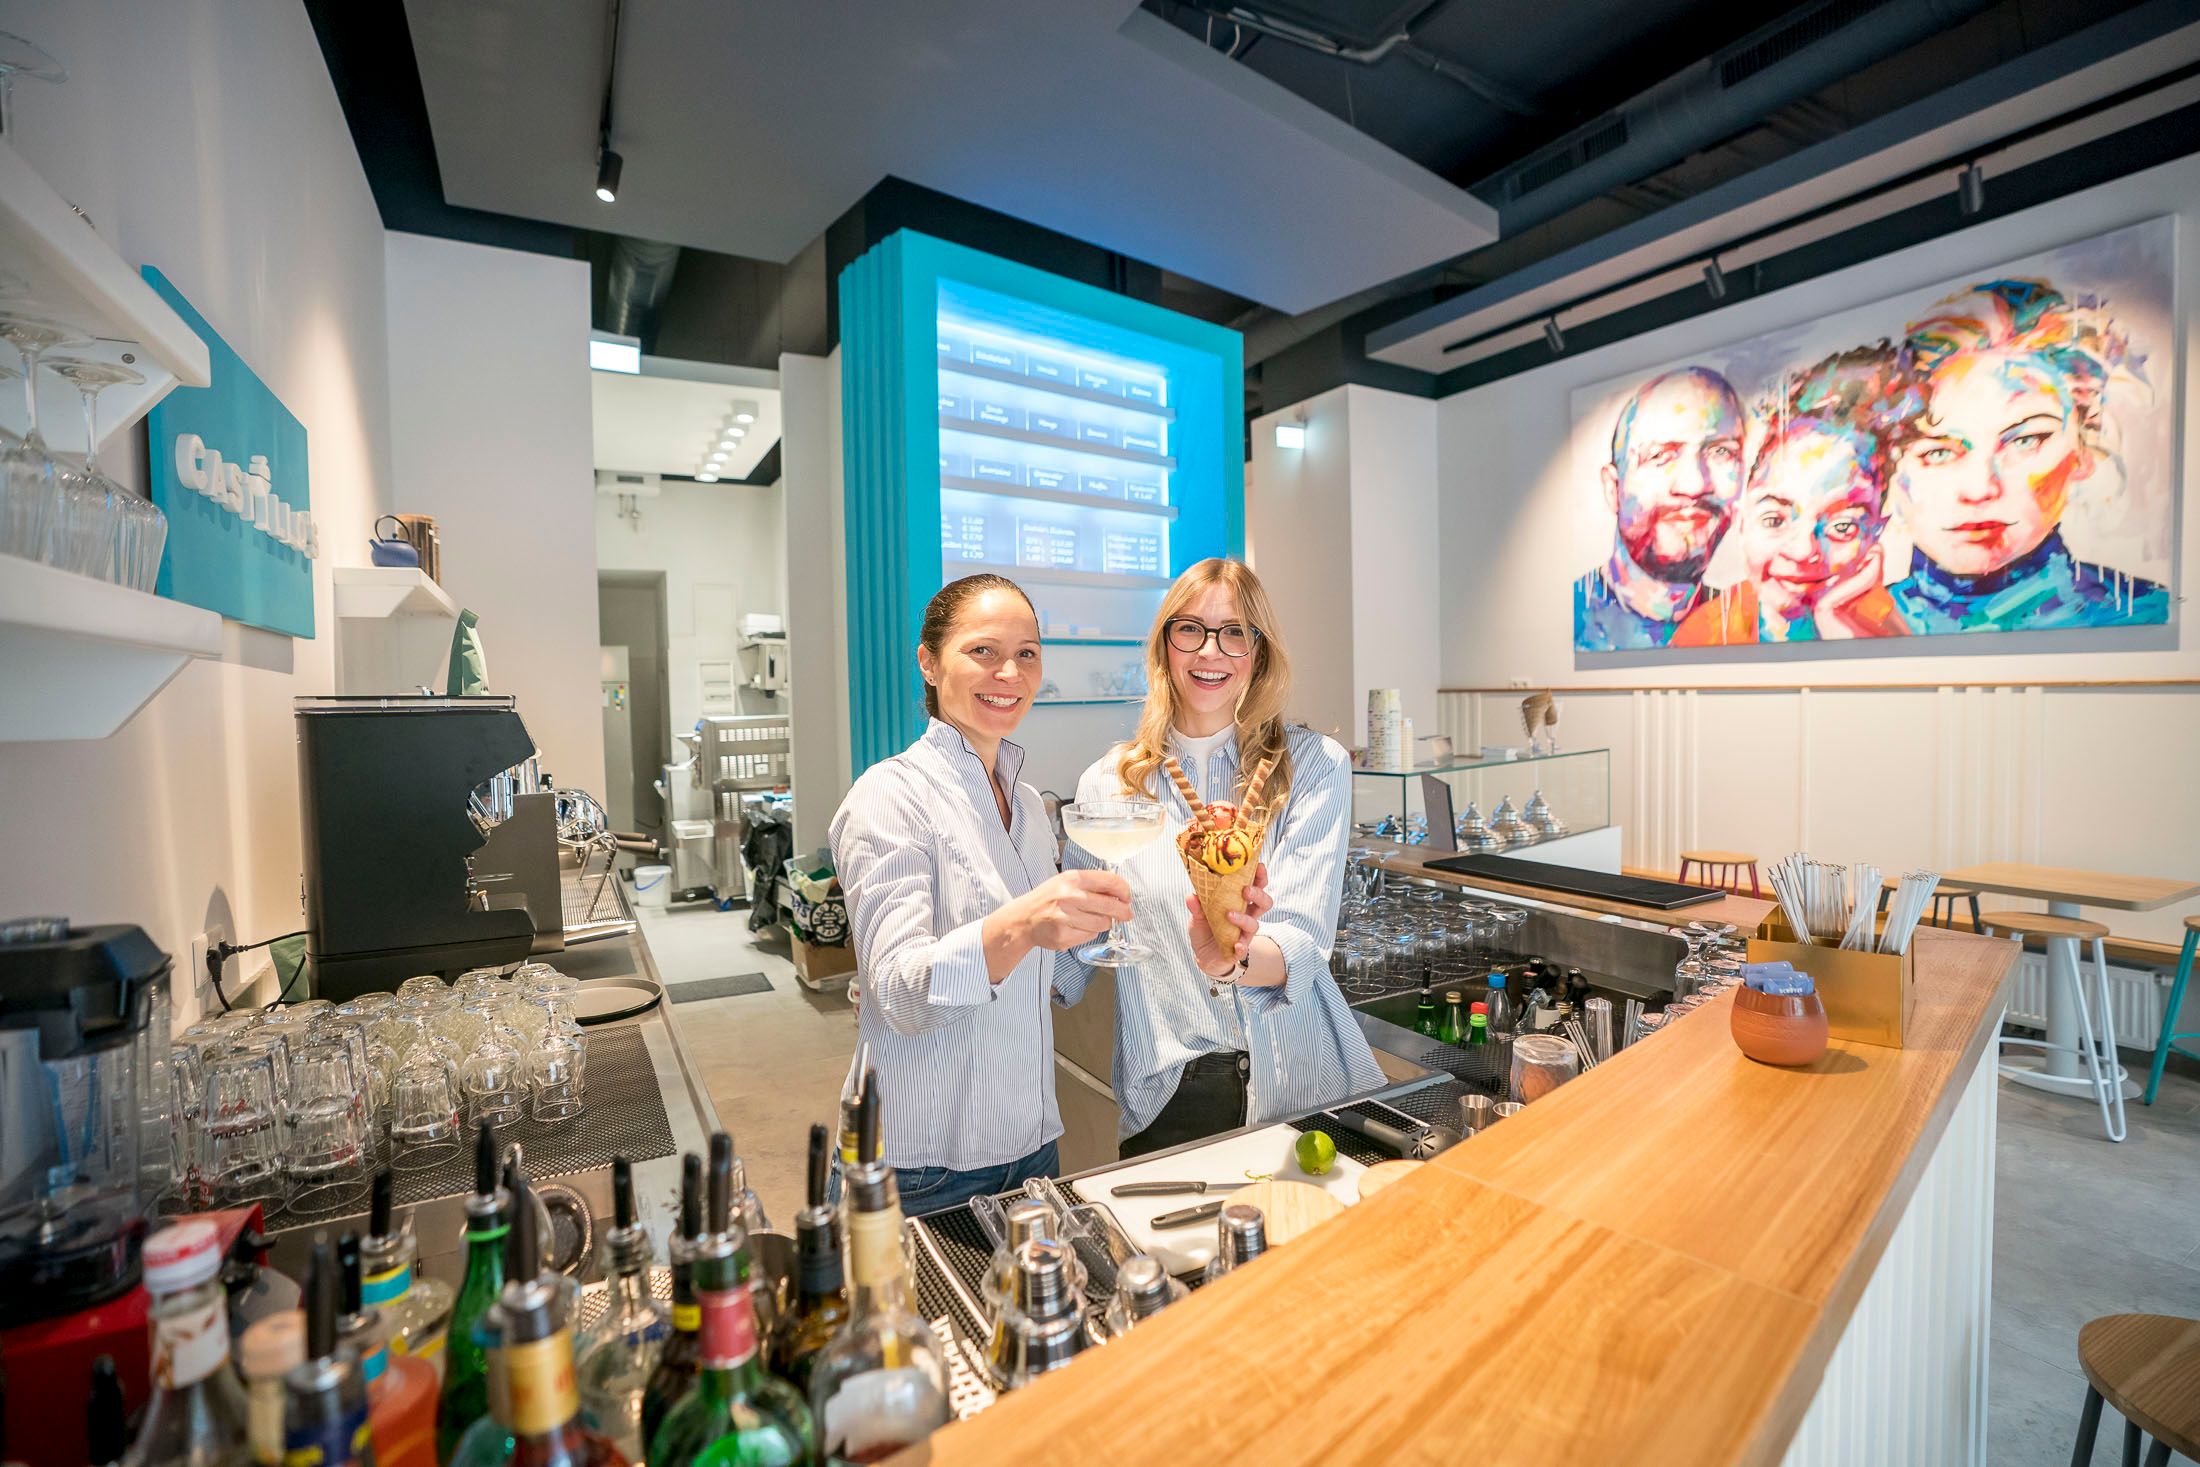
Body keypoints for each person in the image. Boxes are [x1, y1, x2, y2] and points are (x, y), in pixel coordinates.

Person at [1053, 558, 1384, 1157]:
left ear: (1258, 652)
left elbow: (1304, 942)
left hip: (1299, 1078)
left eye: (1235, 632)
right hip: (1167, 1087)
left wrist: (1230, 959)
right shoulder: (1109, 786)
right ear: (1164, 646)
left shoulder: (1312, 767)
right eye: (1191, 630)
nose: (1211, 652)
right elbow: (1071, 964)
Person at [827, 574, 1136, 1215]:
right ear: (930, 662)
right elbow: (901, 994)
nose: (1010, 673)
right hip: (918, 1168)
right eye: (983, 651)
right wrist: (1022, 925)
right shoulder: (888, 797)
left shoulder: (1024, 803)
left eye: (1027, 653)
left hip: (1031, 1146)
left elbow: (1047, 980)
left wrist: (1116, 923)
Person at [1887, 278, 2168, 633]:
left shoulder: (2148, 615)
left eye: (2025, 441)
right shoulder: (1836, 631)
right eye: (1939, 452)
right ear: (1894, 468)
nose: (1979, 489)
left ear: (2080, 451)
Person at [1672, 346, 1911, 645]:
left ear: (1876, 531)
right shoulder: (1707, 632)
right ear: (1743, 523)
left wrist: (1834, 620)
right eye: (1774, 520)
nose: (1802, 552)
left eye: (1842, 526)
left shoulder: (1890, 624)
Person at [1574, 367, 1746, 651]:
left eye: (1720, 452)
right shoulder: (1573, 621)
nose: (1693, 485)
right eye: (1660, 456)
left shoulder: (1743, 623)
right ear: (1612, 489)